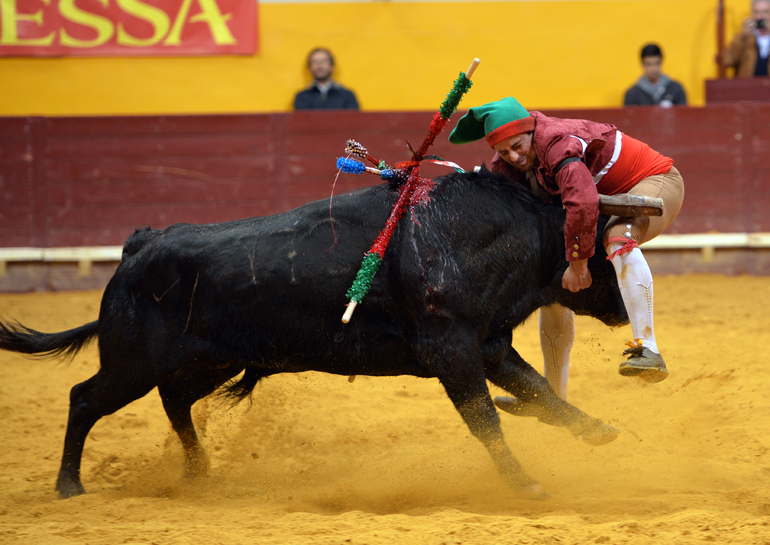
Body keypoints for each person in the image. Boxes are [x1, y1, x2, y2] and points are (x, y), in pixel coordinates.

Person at [448, 97, 685, 400]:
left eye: (518, 146)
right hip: (602, 202)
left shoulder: (556, 142)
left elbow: (583, 203)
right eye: (504, 152)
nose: (514, 157)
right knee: (549, 279)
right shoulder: (505, 167)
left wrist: (578, 265)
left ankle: (649, 348)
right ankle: (553, 399)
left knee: (618, 236)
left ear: (531, 131)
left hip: (653, 180)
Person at [293, 48, 360, 110]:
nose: (319, 65)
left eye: (324, 61)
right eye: (315, 61)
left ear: (332, 66)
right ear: (309, 68)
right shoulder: (302, 97)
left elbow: (354, 118)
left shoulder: (347, 96)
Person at [722, 0, 770, 77]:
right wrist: (742, 37)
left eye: (765, 12)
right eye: (757, 12)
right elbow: (728, 61)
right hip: (747, 83)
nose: (761, 17)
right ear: (752, 14)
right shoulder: (745, 37)